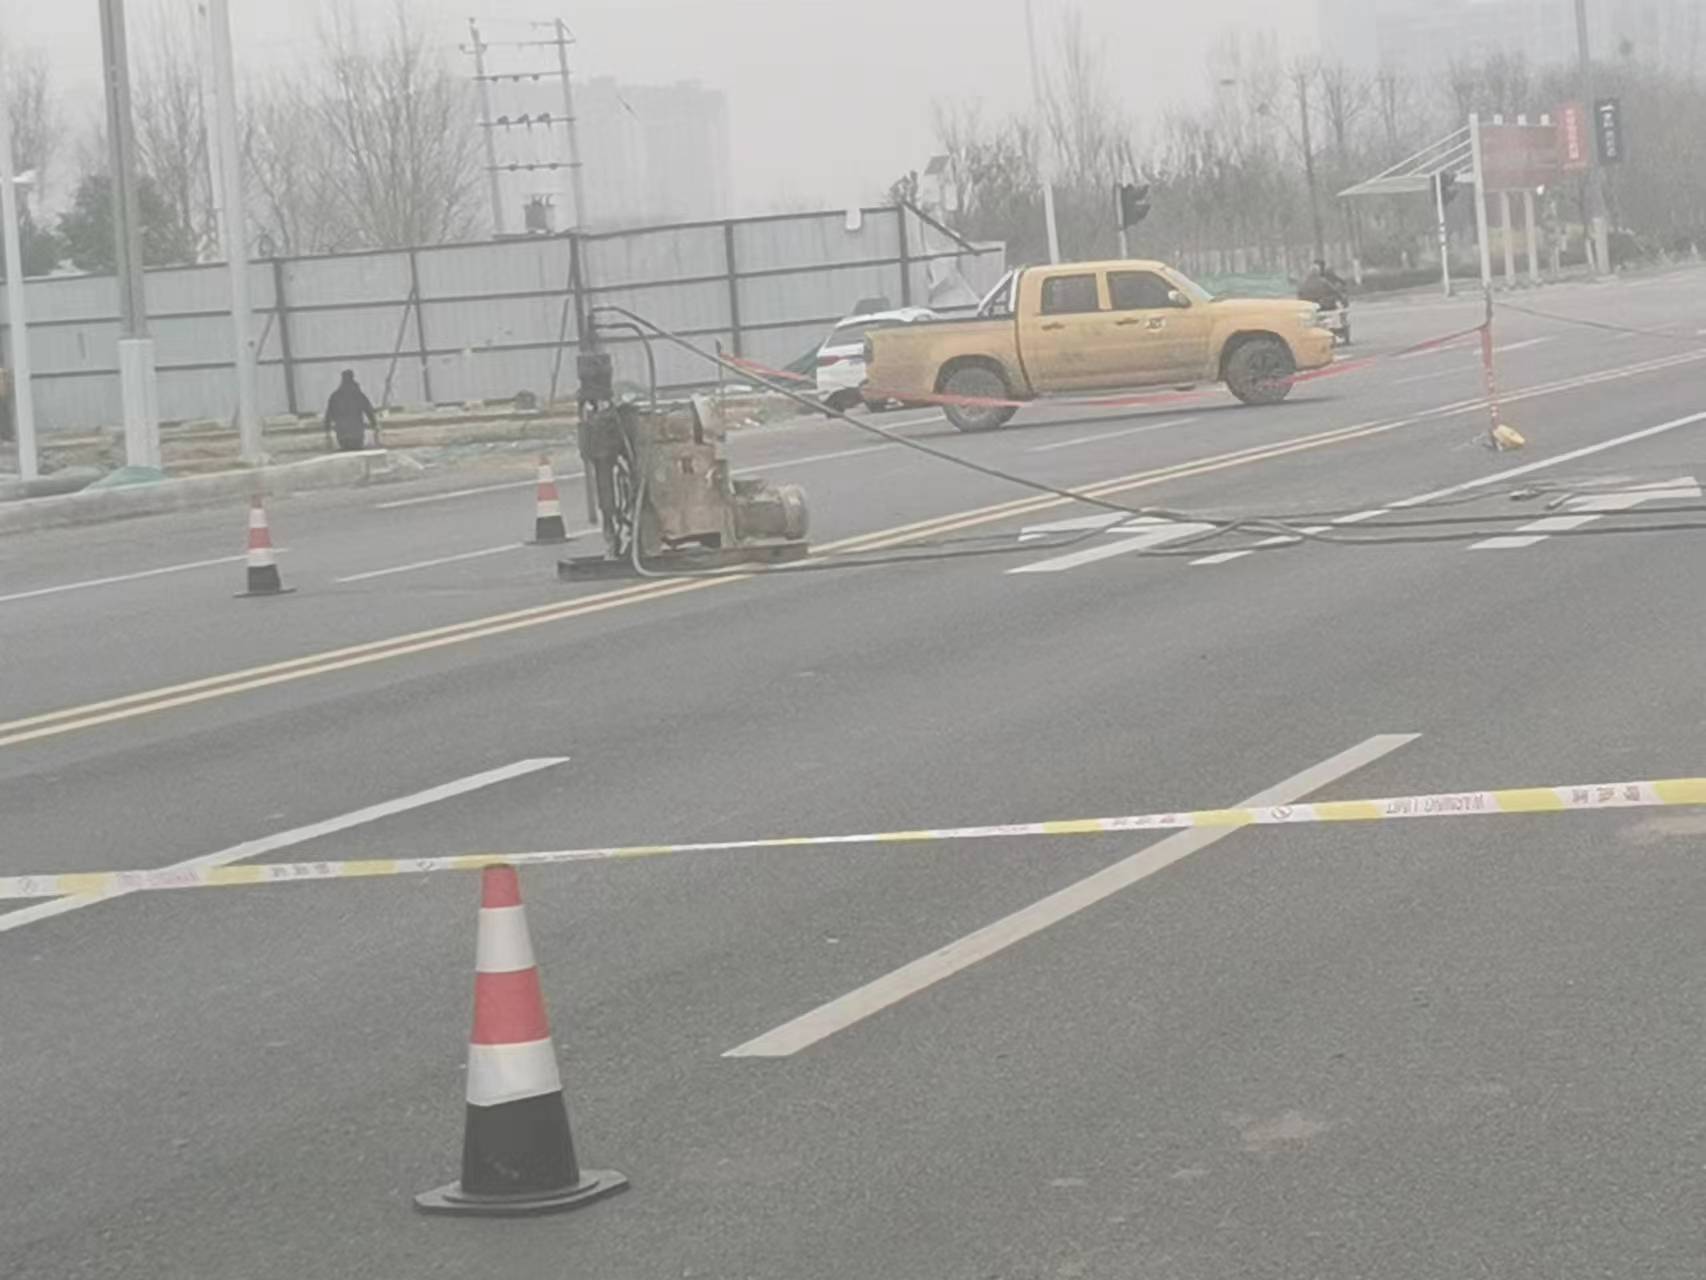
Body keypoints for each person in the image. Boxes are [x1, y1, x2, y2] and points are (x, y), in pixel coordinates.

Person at [324, 370, 379, 452]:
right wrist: (375, 426)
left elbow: (328, 415)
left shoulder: (335, 396)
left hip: (342, 435)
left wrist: (327, 431)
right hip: (357, 435)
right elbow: (369, 411)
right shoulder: (358, 395)